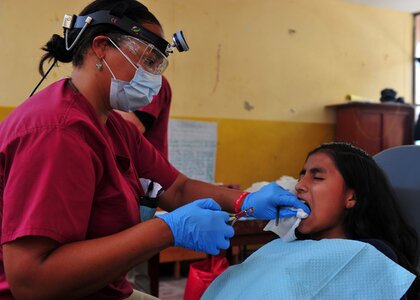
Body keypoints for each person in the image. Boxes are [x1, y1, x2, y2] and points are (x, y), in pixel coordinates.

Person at [0, 1, 309, 299]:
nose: (154, 79)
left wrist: (246, 200)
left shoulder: (113, 127)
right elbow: (32, 283)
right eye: (148, 61)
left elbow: (177, 188)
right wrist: (167, 230)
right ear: (101, 47)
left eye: (158, 66)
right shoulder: (57, 133)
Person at [202, 142, 419, 299]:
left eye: (317, 177)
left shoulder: (370, 256)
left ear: (351, 196)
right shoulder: (284, 247)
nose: (299, 186)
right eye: (301, 176)